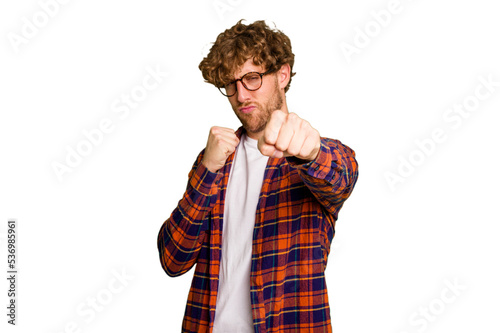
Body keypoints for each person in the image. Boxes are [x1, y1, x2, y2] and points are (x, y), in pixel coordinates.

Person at [157, 19, 359, 333]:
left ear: (282, 74)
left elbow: (341, 176)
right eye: (231, 84)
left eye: (252, 78)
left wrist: (310, 153)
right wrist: (206, 170)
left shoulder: (312, 156)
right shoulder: (214, 160)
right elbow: (173, 259)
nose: (240, 95)